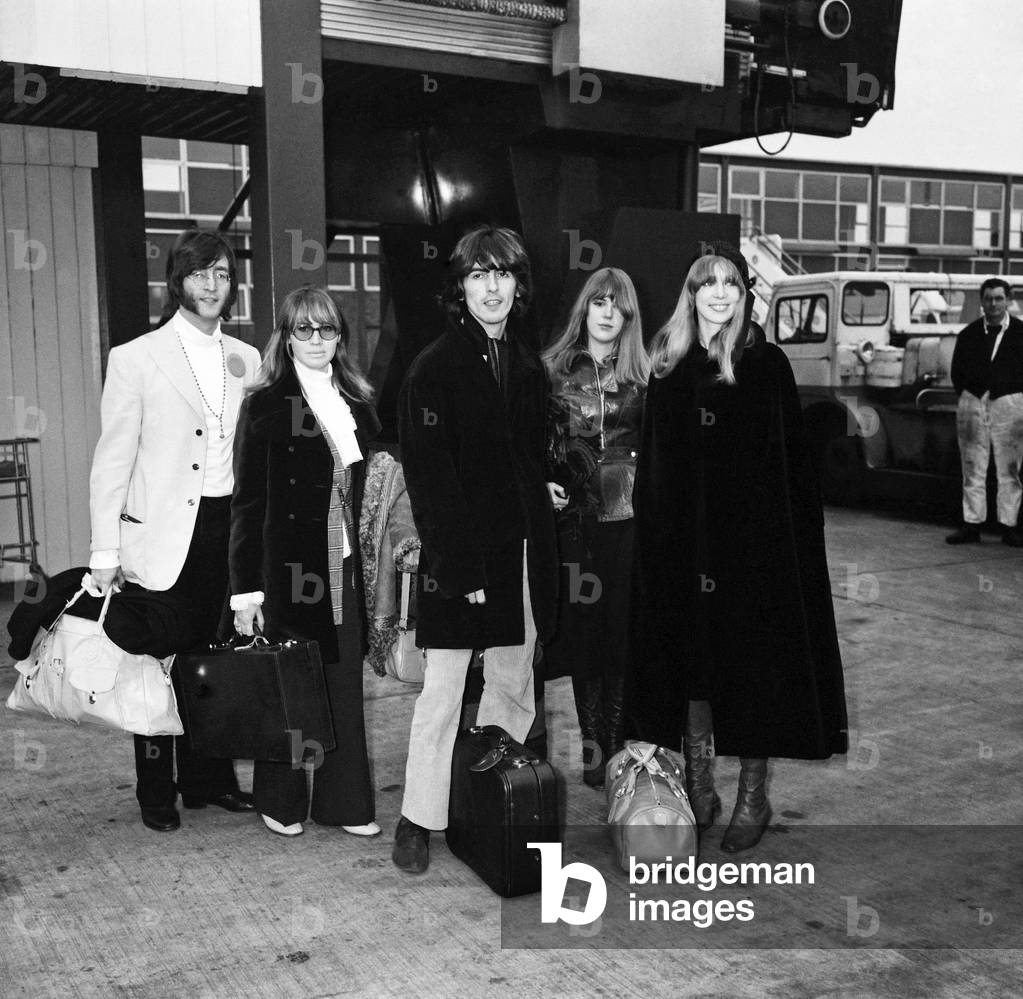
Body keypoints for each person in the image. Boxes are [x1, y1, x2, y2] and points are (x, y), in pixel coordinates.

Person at [627, 245, 848, 854]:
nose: (720, 293)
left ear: (744, 295)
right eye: (708, 283)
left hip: (750, 552)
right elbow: (655, 470)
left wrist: (787, 549)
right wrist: (656, 545)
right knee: (693, 669)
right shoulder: (668, 366)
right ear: (692, 294)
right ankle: (700, 790)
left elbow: (791, 468)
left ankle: (753, 795)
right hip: (684, 549)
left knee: (751, 670)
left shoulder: (765, 364)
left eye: (731, 283)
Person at [393, 225, 557, 874]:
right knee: (442, 690)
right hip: (460, 557)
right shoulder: (431, 368)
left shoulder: (527, 365)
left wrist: (543, 487)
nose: (492, 288)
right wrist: (460, 568)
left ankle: (490, 807)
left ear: (518, 285)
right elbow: (428, 478)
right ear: (460, 287)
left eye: (503, 274)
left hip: (521, 549)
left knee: (513, 682)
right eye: (478, 275)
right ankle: (417, 817)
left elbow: (525, 455)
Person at [88, 228, 261, 832]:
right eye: (199, 274)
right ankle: (155, 790)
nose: (211, 285)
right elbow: (112, 459)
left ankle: (209, 780)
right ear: (178, 282)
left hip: (228, 526)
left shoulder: (248, 359)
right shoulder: (135, 357)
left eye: (222, 274)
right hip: (161, 533)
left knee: (212, 658)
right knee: (155, 662)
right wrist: (104, 548)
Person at [230, 286, 381, 839]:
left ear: (340, 337)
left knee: (343, 683)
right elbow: (247, 503)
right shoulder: (266, 404)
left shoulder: (358, 401)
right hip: (289, 569)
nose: (317, 340)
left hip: (348, 566)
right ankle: (280, 798)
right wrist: (245, 592)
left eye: (327, 329)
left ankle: (345, 803)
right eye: (304, 329)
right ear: (287, 338)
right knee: (290, 685)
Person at [542, 267, 649, 788]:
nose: (608, 313)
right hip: (575, 522)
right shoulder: (551, 370)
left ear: (629, 316)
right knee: (584, 640)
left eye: (618, 305)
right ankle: (594, 751)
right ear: (584, 309)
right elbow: (531, 441)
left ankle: (619, 748)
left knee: (623, 638)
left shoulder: (645, 375)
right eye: (599, 302)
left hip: (631, 519)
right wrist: (542, 481)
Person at [946, 277, 1023, 547]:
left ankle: (1009, 527)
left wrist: (1009, 393)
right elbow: (957, 372)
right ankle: (971, 525)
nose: (993, 304)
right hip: (972, 402)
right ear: (981, 301)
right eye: (988, 299)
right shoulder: (968, 334)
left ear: (1008, 301)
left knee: (1010, 469)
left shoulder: (1021, 333)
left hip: (1010, 404)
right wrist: (972, 393)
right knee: (972, 465)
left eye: (999, 298)